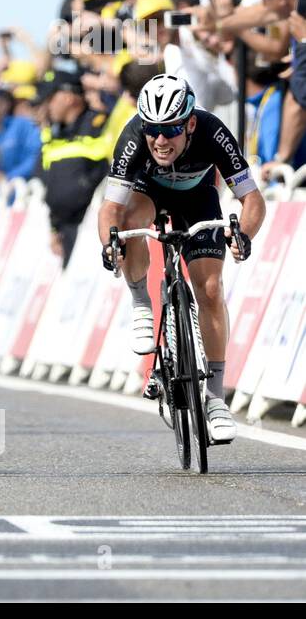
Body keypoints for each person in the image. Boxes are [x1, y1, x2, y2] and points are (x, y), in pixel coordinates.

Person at [98, 75, 264, 444]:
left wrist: (244, 234)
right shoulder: (132, 136)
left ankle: (216, 399)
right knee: (129, 223)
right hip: (148, 193)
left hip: (198, 197)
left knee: (209, 288)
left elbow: (252, 201)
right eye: (152, 130)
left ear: (189, 123)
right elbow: (110, 209)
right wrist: (111, 245)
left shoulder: (212, 131)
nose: (159, 140)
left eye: (170, 130)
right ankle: (141, 302)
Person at [37, 71, 109, 265]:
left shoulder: (101, 124)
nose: (47, 105)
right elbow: (51, 185)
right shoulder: (53, 134)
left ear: (68, 97)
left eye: (51, 98)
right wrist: (54, 228)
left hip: (95, 231)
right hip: (66, 232)